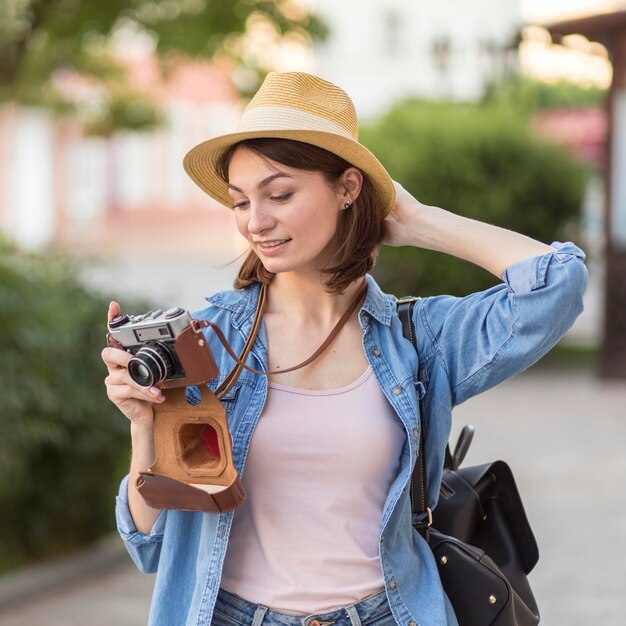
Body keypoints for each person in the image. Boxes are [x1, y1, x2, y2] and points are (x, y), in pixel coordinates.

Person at [102, 72, 588, 626]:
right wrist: (144, 427)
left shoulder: (418, 339)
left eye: (280, 194)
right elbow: (149, 545)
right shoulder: (208, 343)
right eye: (240, 202)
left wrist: (419, 221)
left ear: (348, 188)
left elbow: (557, 286)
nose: (256, 222)